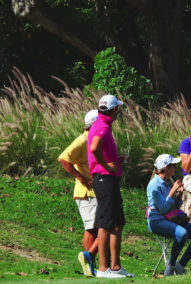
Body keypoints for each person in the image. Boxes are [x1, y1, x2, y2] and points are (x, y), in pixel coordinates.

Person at [88, 94, 135, 279]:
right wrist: (107, 165)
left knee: (117, 223)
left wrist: (117, 160)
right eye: (119, 109)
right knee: (106, 222)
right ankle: (102, 269)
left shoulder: (103, 124)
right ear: (114, 110)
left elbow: (101, 150)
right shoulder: (101, 126)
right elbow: (94, 148)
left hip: (109, 178)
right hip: (103, 178)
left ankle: (115, 267)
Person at [146, 154, 191, 276]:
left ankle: (180, 265)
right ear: (166, 168)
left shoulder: (169, 181)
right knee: (182, 233)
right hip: (156, 220)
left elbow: (175, 205)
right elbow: (163, 209)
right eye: (174, 165)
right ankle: (171, 265)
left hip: (171, 218)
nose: (176, 167)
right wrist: (173, 191)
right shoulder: (153, 186)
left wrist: (178, 195)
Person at [58, 109, 99, 276]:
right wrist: (80, 177)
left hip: (95, 191)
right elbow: (63, 158)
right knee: (91, 228)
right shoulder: (83, 140)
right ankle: (87, 263)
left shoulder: (94, 140)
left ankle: (91, 263)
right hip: (86, 192)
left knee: (97, 228)